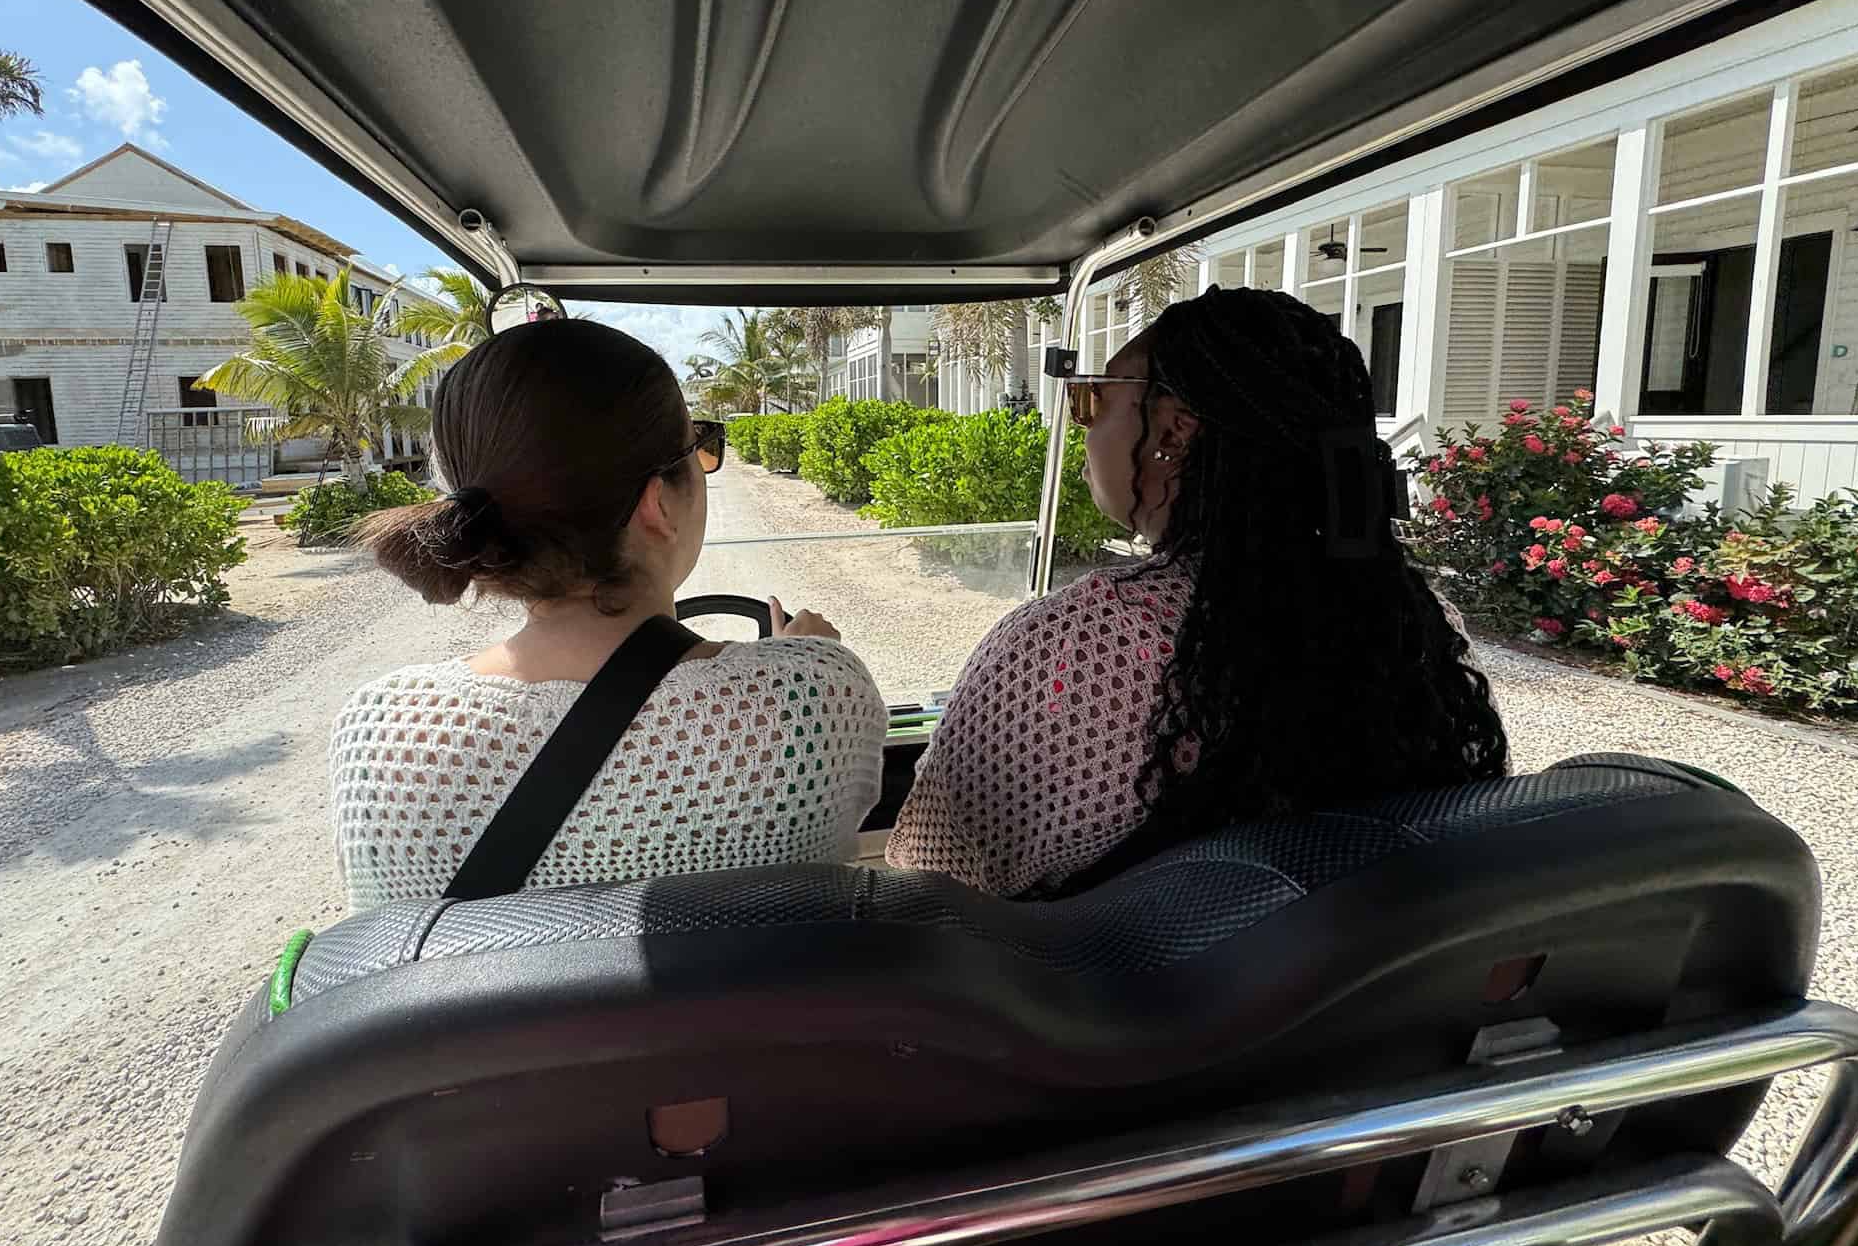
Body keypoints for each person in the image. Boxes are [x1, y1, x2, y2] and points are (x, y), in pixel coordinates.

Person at [886, 286, 1508, 898]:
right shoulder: (1418, 626)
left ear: (1174, 434)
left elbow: (930, 886)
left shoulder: (1082, 643)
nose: (1081, 426)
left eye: (1092, 401)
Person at [331, 318, 885, 910]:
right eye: (699, 444)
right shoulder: (818, 692)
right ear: (657, 502)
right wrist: (801, 658)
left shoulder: (378, 728)